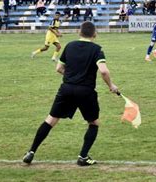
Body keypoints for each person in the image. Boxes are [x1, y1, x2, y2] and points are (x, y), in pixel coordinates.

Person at [23, 21, 119, 166]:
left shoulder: (70, 46)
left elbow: (59, 68)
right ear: (94, 34)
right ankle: (83, 157)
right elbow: (104, 70)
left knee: (51, 120)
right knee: (93, 123)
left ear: (79, 32)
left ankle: (31, 152)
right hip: (85, 91)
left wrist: (72, 76)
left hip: (66, 88)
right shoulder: (97, 49)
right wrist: (111, 85)